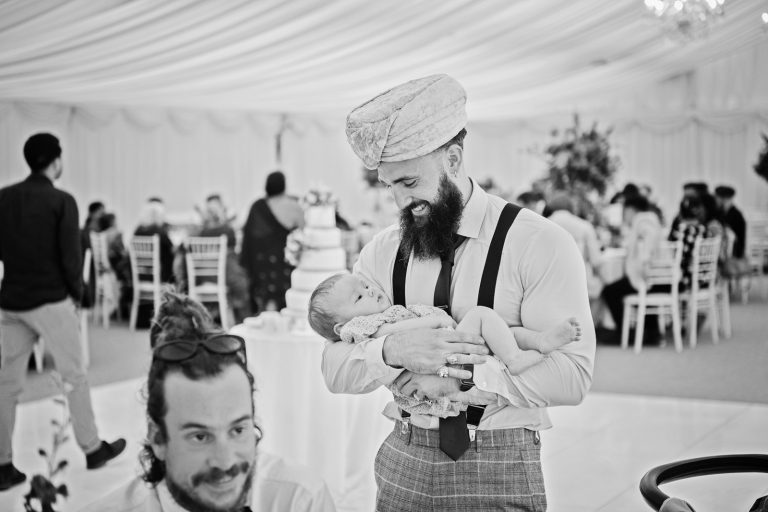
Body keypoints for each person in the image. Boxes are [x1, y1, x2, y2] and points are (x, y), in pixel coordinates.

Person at [324, 74, 595, 510]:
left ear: (453, 159)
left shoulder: (538, 241)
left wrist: (463, 378)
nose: (398, 202)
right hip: (404, 453)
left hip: (499, 457)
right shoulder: (382, 251)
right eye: (389, 185)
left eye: (410, 183)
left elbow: (572, 377)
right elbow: (333, 366)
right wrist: (394, 350)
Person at [80, 291, 336, 511]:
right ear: (157, 438)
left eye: (238, 430)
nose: (225, 462)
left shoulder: (299, 501)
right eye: (200, 437)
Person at [0, 133, 126, 491]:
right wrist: (80, 296)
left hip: (11, 302)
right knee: (74, 375)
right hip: (50, 301)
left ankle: (2, 464)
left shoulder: (4, 198)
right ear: (55, 160)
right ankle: (92, 448)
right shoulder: (62, 201)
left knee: (6, 384)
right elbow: (71, 258)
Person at [310, 272, 580, 416]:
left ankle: (539, 342)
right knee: (482, 316)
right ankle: (517, 359)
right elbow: (396, 336)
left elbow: (574, 383)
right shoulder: (376, 326)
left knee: (504, 333)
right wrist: (433, 324)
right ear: (343, 326)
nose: (370, 290)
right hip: (447, 350)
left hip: (499, 426)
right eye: (359, 297)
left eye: (365, 285)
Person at [599, 195, 664, 343]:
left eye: (624, 211)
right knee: (619, 287)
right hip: (655, 278)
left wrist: (644, 261)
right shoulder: (650, 219)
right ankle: (650, 331)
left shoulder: (643, 221)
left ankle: (624, 333)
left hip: (649, 279)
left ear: (630, 210)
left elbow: (649, 240)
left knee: (610, 291)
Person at [240, 171, 304, 313]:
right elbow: (303, 231)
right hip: (285, 265)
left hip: (262, 267)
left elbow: (249, 239)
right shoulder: (294, 206)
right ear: (284, 186)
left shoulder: (257, 206)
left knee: (269, 309)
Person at [197, 194, 250, 323]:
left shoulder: (201, 233)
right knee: (242, 279)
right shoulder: (226, 231)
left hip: (203, 276)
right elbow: (233, 243)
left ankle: (220, 313)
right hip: (224, 276)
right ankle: (243, 320)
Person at [547, 192, 604, 302]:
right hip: (580, 283)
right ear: (571, 207)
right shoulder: (584, 226)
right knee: (604, 289)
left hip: (549, 283)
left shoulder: (542, 224)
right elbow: (596, 260)